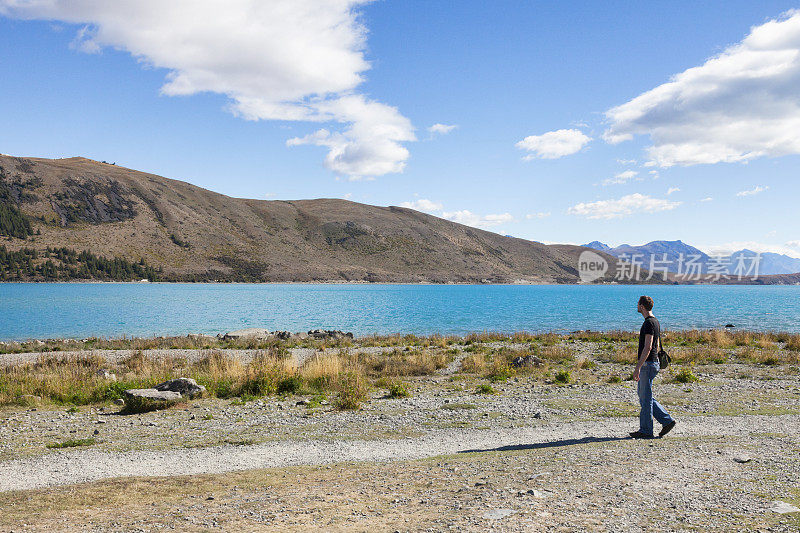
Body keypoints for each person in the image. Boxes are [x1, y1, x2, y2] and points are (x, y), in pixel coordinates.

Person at [630, 295, 676, 439]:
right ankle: (666, 420)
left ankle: (646, 430)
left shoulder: (648, 323)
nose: (637, 306)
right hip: (652, 362)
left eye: (638, 304)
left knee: (645, 398)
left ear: (642, 306)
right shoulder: (655, 321)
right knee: (645, 396)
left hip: (648, 363)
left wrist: (638, 366)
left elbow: (648, 346)